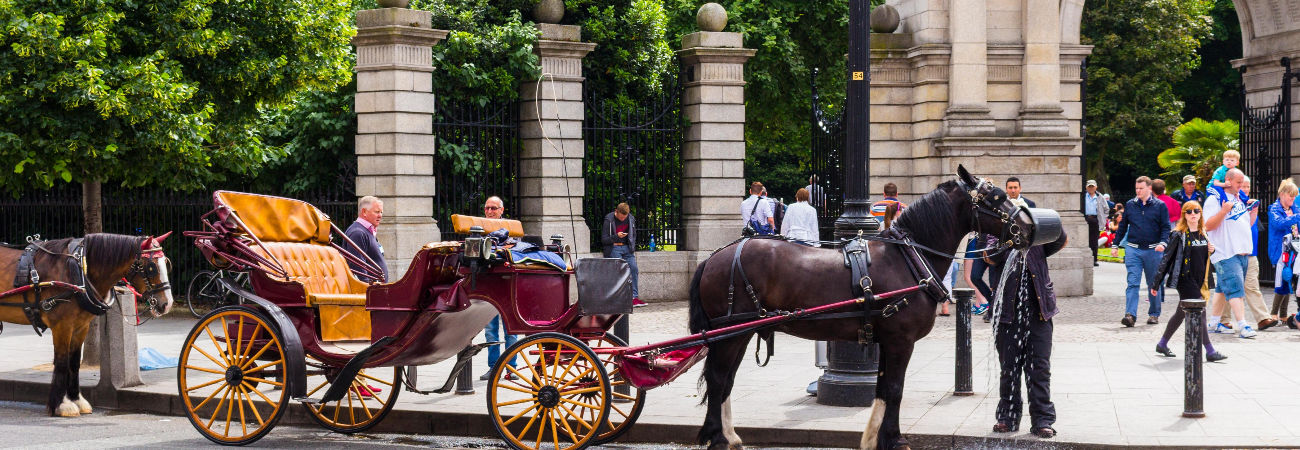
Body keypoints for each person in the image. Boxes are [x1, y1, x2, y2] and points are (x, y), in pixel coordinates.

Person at [991, 230, 1068, 439]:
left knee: (1040, 369)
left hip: (1040, 312)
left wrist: (1041, 222)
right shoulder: (996, 231)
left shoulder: (1040, 236)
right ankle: (1007, 417)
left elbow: (1060, 238)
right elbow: (990, 256)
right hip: (1008, 313)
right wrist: (1008, 235)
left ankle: (1043, 420)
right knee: (1009, 368)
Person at [1150, 200, 1228, 362]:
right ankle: (1210, 350)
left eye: (1196, 211)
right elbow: (1167, 259)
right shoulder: (1178, 235)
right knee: (1200, 311)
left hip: (1200, 279)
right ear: (1184, 215)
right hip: (1185, 280)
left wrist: (1210, 251)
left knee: (1182, 312)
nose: (1193, 214)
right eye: (1189, 212)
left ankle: (1162, 343)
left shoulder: (1203, 233)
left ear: (1200, 214)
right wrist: (1156, 283)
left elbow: (1201, 259)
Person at [1203, 169, 1258, 339]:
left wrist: (1253, 211)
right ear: (1228, 180)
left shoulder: (1239, 199)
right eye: (1238, 182)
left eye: (1243, 183)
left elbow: (1246, 224)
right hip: (1226, 252)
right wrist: (1223, 211)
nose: (1241, 186)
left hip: (1242, 252)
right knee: (1236, 289)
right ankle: (1243, 325)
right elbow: (1208, 225)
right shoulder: (1215, 200)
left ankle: (1213, 322)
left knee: (1221, 289)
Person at [1111, 176, 1170, 326]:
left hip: (1153, 250)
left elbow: (1165, 227)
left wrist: (1163, 243)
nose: (1138, 191)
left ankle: (1154, 314)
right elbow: (1123, 226)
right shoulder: (1130, 205)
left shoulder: (1160, 206)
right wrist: (1115, 245)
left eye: (1141, 188)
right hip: (1133, 250)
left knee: (1153, 284)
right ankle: (1130, 315)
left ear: (1149, 188)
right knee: (1132, 283)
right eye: (1136, 188)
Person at [481, 196, 519, 379]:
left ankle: (511, 368)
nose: (489, 211)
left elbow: (516, 251)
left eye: (493, 208)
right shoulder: (479, 230)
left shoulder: (511, 229)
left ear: (501, 210)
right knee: (490, 330)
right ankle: (494, 368)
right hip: (488, 286)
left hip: (507, 286)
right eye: (487, 208)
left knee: (510, 330)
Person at [602, 202, 646, 308]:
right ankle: (618, 297)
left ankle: (633, 297)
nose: (623, 220)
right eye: (621, 218)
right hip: (614, 247)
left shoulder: (630, 218)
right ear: (616, 212)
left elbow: (633, 234)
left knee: (634, 269)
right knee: (617, 272)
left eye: (624, 217)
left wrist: (631, 246)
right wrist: (616, 236)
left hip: (627, 248)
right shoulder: (609, 219)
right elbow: (604, 240)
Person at [1269, 179, 1300, 325]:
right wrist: (1296, 217)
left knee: (1289, 280)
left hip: (1293, 249)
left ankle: (1283, 314)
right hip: (1280, 250)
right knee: (1282, 279)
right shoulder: (1274, 209)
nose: (1293, 199)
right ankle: (1274, 313)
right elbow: (1279, 223)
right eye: (1290, 196)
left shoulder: (1294, 209)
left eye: (1294, 197)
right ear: (1282, 194)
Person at [344, 196, 389, 283]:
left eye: (381, 212)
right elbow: (358, 268)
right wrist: (367, 290)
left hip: (375, 290)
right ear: (364, 212)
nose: (380, 215)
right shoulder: (358, 233)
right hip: (369, 292)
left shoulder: (367, 232)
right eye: (377, 212)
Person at [1083, 179, 1110, 267]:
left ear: (1096, 187)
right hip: (1085, 219)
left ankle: (1094, 259)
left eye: (1092, 186)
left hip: (1095, 220)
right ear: (1086, 187)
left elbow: (1107, 209)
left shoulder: (1100, 196)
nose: (1091, 188)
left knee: (1094, 241)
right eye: (1089, 186)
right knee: (1083, 239)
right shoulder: (1082, 196)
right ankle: (1083, 258)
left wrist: (1102, 218)